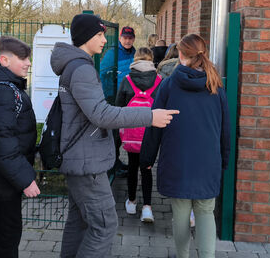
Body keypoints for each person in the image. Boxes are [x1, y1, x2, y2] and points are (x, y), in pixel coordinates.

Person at [51, 14, 179, 258]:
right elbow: (101, 115)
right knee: (105, 226)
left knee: (79, 222)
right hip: (87, 161)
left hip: (79, 156)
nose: (104, 40)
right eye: (99, 35)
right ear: (86, 37)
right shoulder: (81, 69)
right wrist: (149, 116)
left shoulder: (76, 66)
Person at [140, 34, 231, 258]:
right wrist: (224, 158)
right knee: (206, 212)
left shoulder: (169, 85)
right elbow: (225, 128)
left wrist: (147, 158)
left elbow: (155, 123)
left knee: (180, 215)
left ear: (180, 55)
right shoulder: (215, 86)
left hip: (177, 160)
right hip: (208, 162)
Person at [0, 36, 40, 258]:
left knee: (0, 227)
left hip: (2, 173)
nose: (28, 63)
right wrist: (25, 179)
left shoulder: (7, 86)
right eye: (23, 58)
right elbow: (2, 141)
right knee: (8, 233)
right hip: (3, 176)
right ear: (5, 60)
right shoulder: (4, 91)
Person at [115, 47, 162, 223]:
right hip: (150, 133)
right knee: (147, 168)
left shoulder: (127, 80)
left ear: (135, 60)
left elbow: (118, 108)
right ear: (151, 59)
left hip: (131, 134)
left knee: (133, 167)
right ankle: (147, 208)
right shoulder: (159, 80)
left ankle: (132, 202)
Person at [100, 26, 136, 176]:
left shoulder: (134, 53)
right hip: (114, 98)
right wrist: (109, 94)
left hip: (128, 98)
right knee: (114, 134)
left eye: (130, 38)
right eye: (125, 38)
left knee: (122, 133)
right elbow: (103, 74)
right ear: (120, 38)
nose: (127, 41)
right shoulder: (112, 53)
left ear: (133, 39)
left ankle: (116, 161)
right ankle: (112, 165)